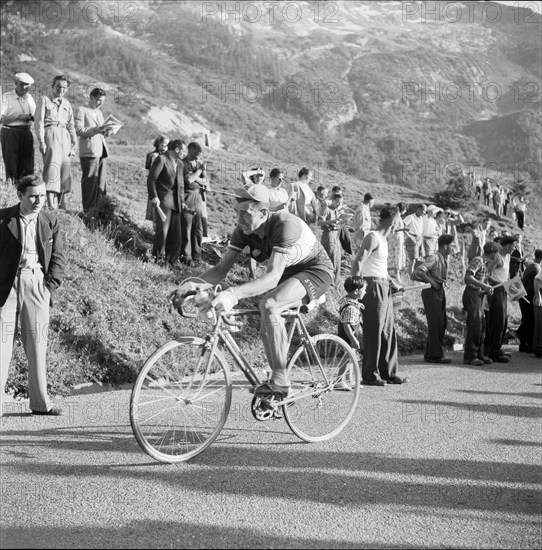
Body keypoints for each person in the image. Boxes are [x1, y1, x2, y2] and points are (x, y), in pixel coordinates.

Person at [170, 184, 334, 397]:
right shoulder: (242, 231)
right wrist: (191, 285)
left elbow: (273, 276)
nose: (240, 220)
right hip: (287, 271)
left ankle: (281, 381)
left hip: (314, 270)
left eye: (245, 214)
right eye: (238, 213)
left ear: (264, 213)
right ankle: (277, 385)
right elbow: (220, 270)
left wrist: (233, 294)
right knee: (268, 320)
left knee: (269, 304)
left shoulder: (285, 225)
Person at [0, 175, 65, 416]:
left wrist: (48, 287)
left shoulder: (50, 219)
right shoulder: (3, 218)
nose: (39, 201)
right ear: (20, 196)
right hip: (5, 286)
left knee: (38, 345)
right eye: (33, 196)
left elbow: (58, 258)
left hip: (37, 283)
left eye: (42, 195)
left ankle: (40, 404)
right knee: (1, 346)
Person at [350, 206, 408, 386]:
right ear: (392, 220)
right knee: (373, 331)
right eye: (398, 220)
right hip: (371, 286)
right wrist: (356, 288)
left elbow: (380, 268)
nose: (399, 224)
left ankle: (389, 373)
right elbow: (358, 261)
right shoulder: (372, 237)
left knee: (388, 331)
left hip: (383, 285)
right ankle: (369, 375)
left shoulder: (383, 240)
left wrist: (393, 283)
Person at [34, 75, 77, 210]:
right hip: (51, 132)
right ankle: (51, 203)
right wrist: (41, 141)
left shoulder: (67, 104)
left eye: (64, 87)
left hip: (65, 135)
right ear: (53, 86)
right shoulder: (44, 100)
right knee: (52, 167)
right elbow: (39, 122)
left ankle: (62, 203)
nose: (61, 89)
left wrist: (74, 141)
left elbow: (71, 125)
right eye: (58, 86)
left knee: (65, 167)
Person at [414, 234, 455, 364]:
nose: (453, 248)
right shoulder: (434, 257)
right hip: (431, 291)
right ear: (445, 246)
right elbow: (419, 271)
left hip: (438, 290)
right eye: (452, 245)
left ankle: (430, 353)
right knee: (436, 323)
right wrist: (433, 282)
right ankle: (435, 355)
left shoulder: (442, 258)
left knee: (441, 323)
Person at [147, 139, 187, 265]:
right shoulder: (161, 159)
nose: (184, 153)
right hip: (163, 201)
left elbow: (181, 185)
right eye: (183, 150)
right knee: (162, 234)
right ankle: (157, 260)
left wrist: (183, 202)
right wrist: (154, 196)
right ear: (176, 149)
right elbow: (152, 179)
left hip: (177, 203)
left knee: (176, 235)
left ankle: (172, 261)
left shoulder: (180, 164)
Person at [74, 88, 113, 213]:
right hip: (89, 152)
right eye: (99, 100)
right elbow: (78, 130)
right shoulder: (82, 110)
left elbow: (101, 133)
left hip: (101, 152)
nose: (100, 103)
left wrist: (107, 131)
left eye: (102, 101)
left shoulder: (100, 113)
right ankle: (88, 211)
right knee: (89, 182)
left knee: (101, 183)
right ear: (91, 97)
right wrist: (97, 129)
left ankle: (99, 211)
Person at [462, 241, 500, 366]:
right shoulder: (479, 260)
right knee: (475, 326)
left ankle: (479, 354)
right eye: (496, 252)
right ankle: (470, 356)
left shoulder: (486, 263)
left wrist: (486, 288)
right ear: (493, 253)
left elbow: (483, 279)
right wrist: (483, 285)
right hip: (472, 294)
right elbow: (468, 277)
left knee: (482, 326)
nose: (497, 255)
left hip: (479, 295)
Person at [484, 235, 518, 363]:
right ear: (508, 246)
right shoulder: (497, 258)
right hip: (495, 291)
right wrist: (500, 283)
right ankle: (493, 351)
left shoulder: (508, 257)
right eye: (513, 246)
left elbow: (506, 275)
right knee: (497, 321)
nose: (514, 248)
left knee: (503, 322)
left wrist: (512, 287)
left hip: (503, 291)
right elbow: (486, 274)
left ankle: (497, 348)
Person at [0, 73, 36, 184]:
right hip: (10, 132)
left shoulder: (30, 97)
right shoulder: (6, 97)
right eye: (22, 84)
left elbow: (35, 115)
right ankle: (11, 189)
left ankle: (26, 191)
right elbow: (1, 118)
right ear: (16, 84)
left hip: (26, 133)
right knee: (12, 165)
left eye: (28, 85)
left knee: (27, 165)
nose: (25, 87)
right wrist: (18, 117)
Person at [335, 276, 367, 390]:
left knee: (352, 358)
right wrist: (353, 339)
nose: (365, 292)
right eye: (364, 290)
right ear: (357, 291)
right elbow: (346, 324)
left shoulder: (349, 300)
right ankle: (339, 380)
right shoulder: (351, 308)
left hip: (351, 334)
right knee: (348, 357)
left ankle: (350, 380)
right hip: (349, 335)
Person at [181, 142, 206, 265]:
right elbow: (188, 180)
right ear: (190, 149)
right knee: (187, 226)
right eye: (197, 152)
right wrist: (198, 173)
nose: (199, 155)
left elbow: (205, 182)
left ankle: (197, 256)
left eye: (200, 153)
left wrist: (197, 176)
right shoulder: (183, 163)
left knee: (198, 228)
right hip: (187, 195)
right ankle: (186, 256)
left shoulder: (199, 164)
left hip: (198, 196)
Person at [517, 249, 542, 353]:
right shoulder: (536, 268)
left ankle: (524, 345)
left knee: (527, 320)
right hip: (528, 297)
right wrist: (536, 297)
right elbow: (533, 285)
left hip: (523, 296)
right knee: (530, 321)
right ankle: (528, 345)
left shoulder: (531, 266)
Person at [318, 191, 343, 286]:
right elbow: (319, 223)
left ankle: (334, 283)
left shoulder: (336, 211)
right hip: (328, 235)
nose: (339, 204)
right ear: (332, 201)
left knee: (337, 260)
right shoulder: (326, 209)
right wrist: (333, 221)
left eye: (340, 202)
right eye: (337, 202)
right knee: (330, 258)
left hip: (336, 235)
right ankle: (327, 282)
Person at [144, 135, 169, 222]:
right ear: (159, 143)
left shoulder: (169, 157)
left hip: (164, 186)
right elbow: (148, 170)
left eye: (168, 144)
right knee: (155, 207)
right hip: (155, 185)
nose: (166, 146)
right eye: (165, 144)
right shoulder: (151, 155)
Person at [403, 204, 426, 276]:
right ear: (419, 209)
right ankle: (411, 276)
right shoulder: (410, 217)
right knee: (412, 260)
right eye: (423, 211)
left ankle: (415, 274)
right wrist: (410, 236)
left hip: (419, 239)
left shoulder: (421, 218)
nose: (424, 213)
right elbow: (403, 226)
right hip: (412, 239)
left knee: (418, 259)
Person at [387, 202, 408, 283]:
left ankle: (395, 273)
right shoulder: (396, 216)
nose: (405, 211)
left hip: (398, 239)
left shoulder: (398, 216)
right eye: (405, 209)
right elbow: (393, 229)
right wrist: (403, 229)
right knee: (396, 255)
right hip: (395, 239)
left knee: (397, 255)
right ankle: (396, 274)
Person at [533, 268, 542, 358]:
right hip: (541, 296)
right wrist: (538, 296)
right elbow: (537, 280)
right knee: (540, 324)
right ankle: (538, 349)